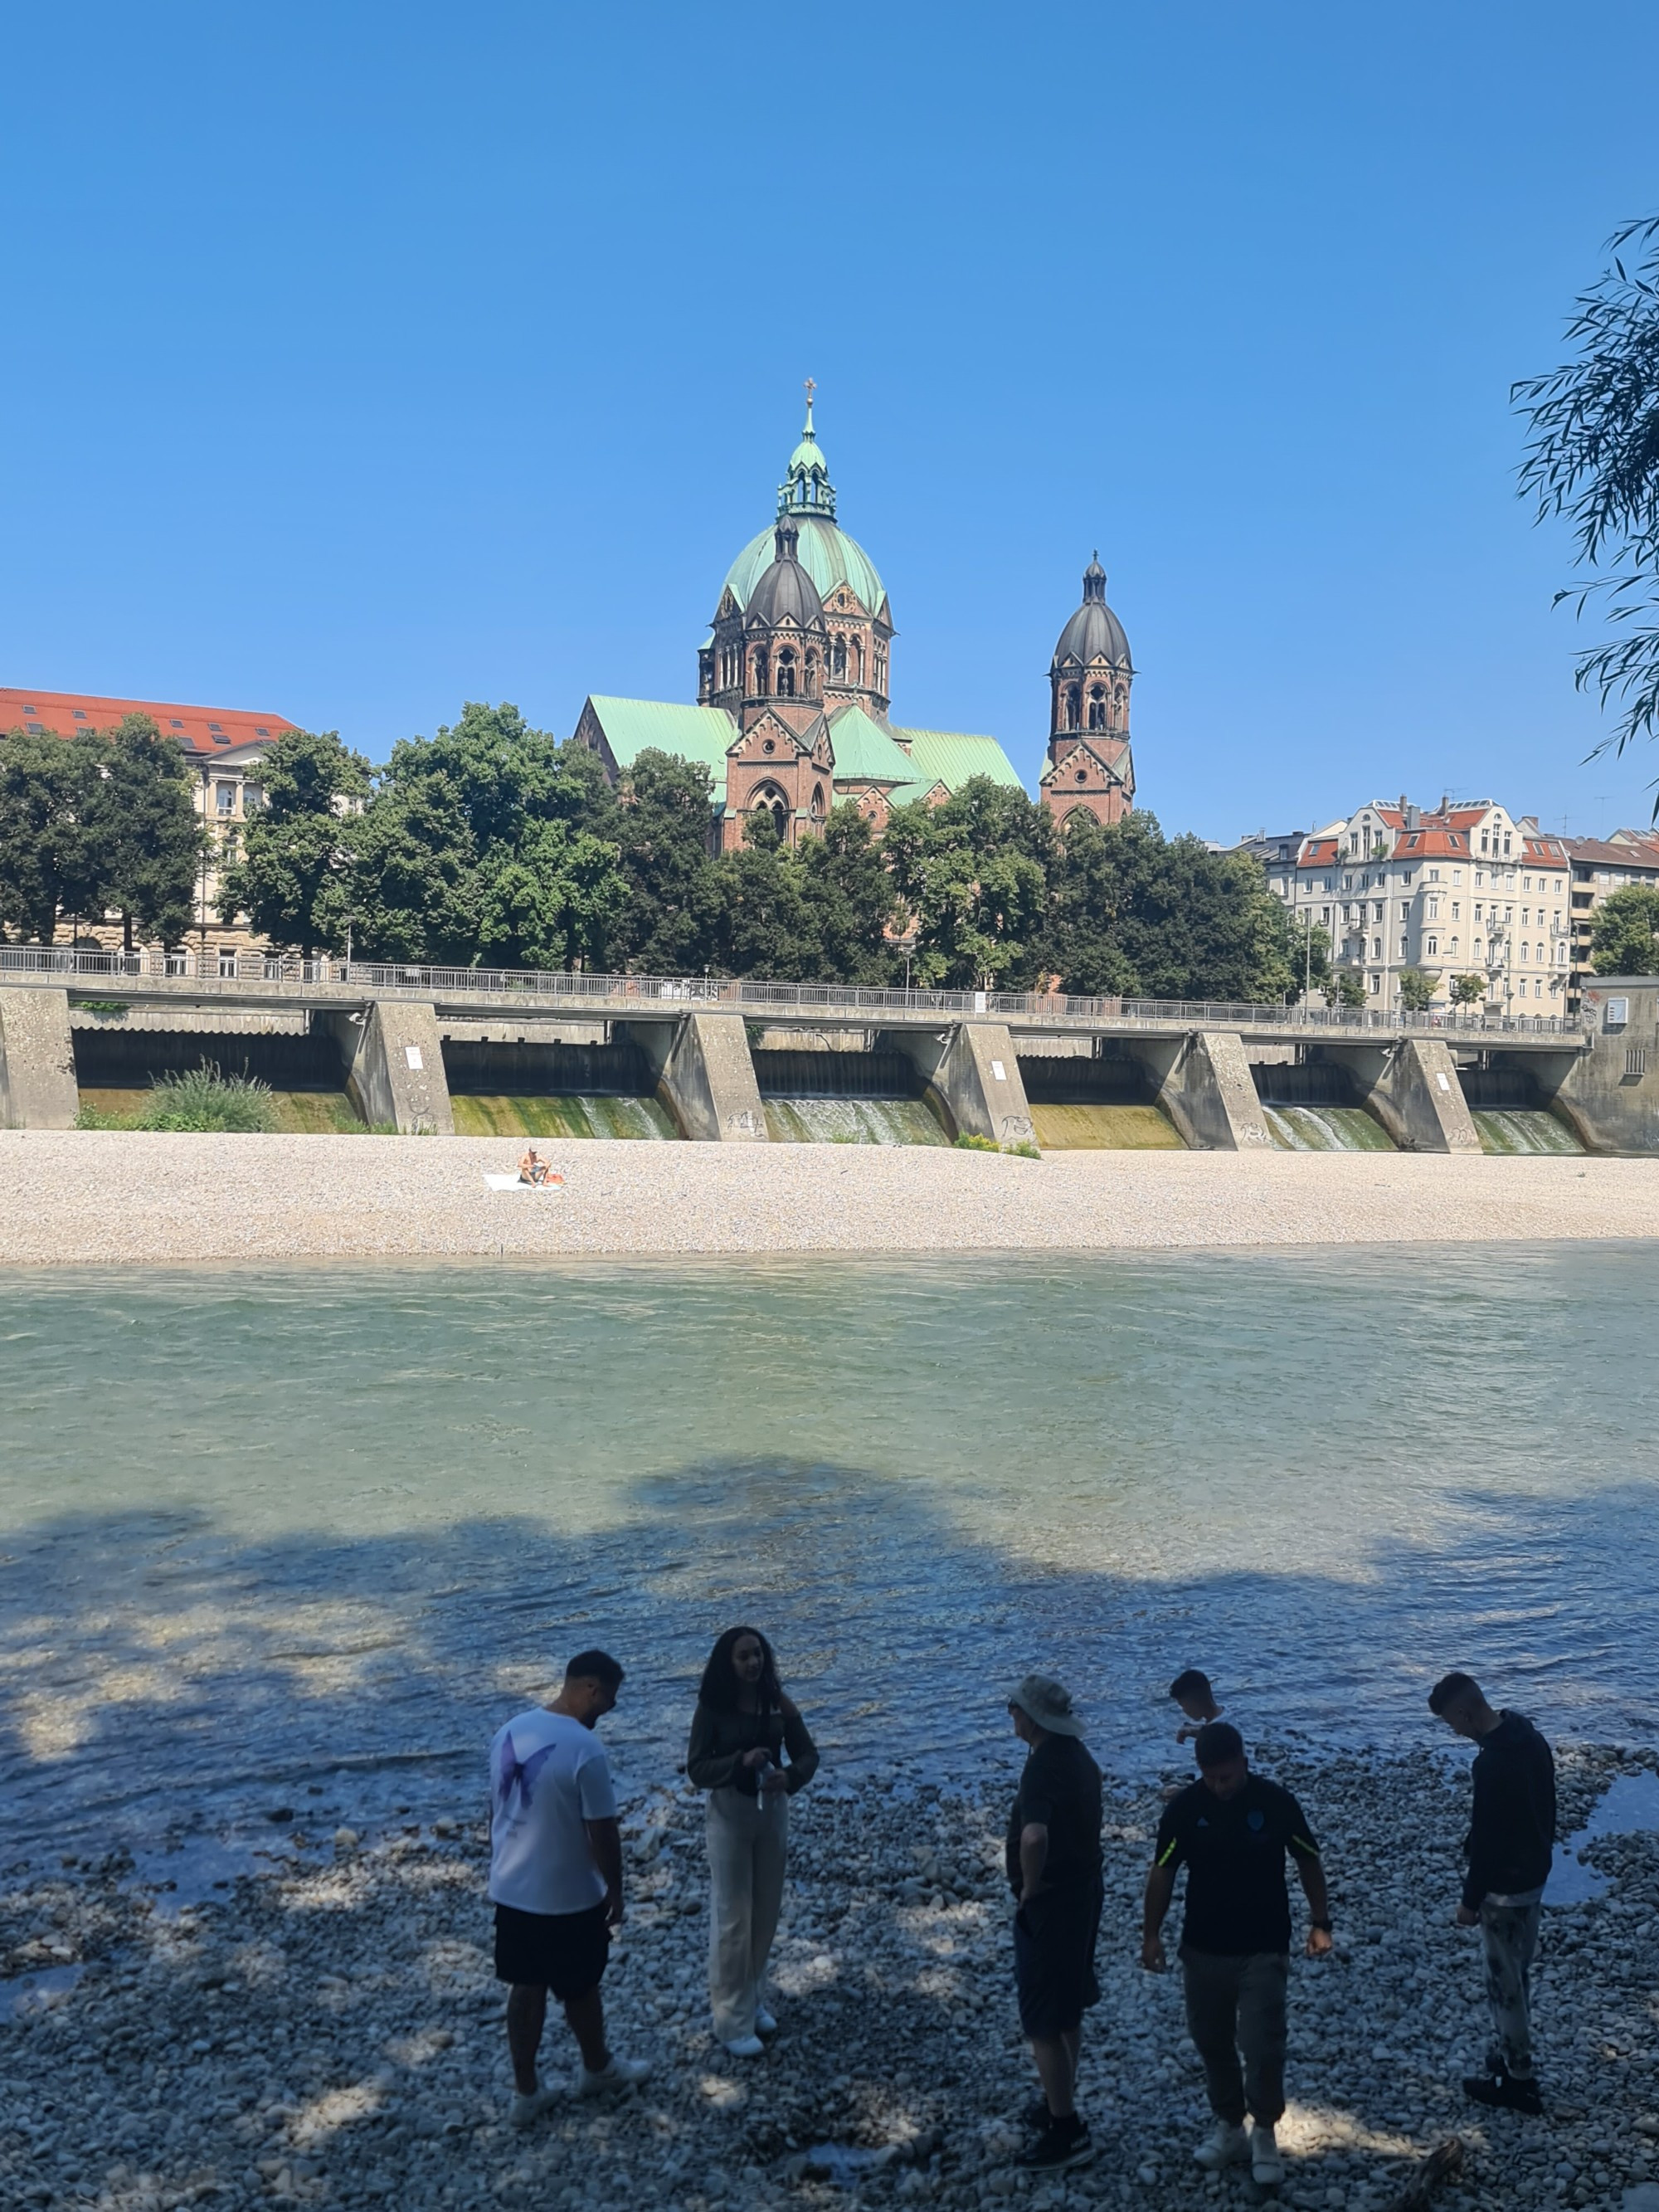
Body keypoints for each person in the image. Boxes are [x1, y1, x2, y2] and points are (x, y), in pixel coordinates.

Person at [1141, 1722, 1331, 2190]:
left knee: (1263, 2043)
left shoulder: (1276, 1802)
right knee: (1211, 2040)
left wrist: (1320, 1921)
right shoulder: (1185, 1809)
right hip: (1203, 1946)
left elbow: (1308, 1858)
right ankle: (1230, 2127)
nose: (1220, 1787)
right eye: (1211, 1778)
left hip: (1264, 1944)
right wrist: (1151, 1934)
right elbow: (1162, 1871)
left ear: (1244, 1763)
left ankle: (1265, 2131)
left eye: (1228, 1777)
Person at [487, 1650, 650, 2127]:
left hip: (514, 1887)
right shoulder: (585, 1748)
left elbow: (496, 1809)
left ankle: (526, 2092)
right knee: (580, 1986)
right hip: (567, 1893)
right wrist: (615, 1891)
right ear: (592, 1689)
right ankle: (598, 2069)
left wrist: (499, 1867)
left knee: (525, 1985)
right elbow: (603, 1830)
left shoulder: (508, 1731)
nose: (611, 1710)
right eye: (611, 1699)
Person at [686, 1626, 820, 2058]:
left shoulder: (778, 1701)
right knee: (732, 1917)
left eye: (758, 1654)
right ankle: (730, 2022)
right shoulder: (712, 1708)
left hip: (772, 1812)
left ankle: (752, 1997)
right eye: (744, 1656)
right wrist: (738, 1761)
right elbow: (697, 1769)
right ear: (728, 1663)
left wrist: (791, 1777)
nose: (753, 1662)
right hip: (729, 1813)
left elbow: (809, 1755)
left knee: (764, 1911)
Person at [1428, 1671, 1556, 2115]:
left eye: (1452, 1724)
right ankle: (1507, 2054)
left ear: (1464, 1712)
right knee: (1520, 1972)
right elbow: (1548, 1805)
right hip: (1535, 1875)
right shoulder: (1530, 1737)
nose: (1455, 1732)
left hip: (1504, 1891)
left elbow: (1487, 1839)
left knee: (1505, 1986)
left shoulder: (1492, 1765)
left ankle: (1519, 2080)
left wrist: (1470, 1899)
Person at [1005, 1674, 1104, 2176]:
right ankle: (1056, 2101)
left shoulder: (1042, 1767)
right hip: (1085, 1891)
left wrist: (1029, 1885)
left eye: (1015, 1707)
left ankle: (1066, 2130)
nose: (1010, 1715)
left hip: (1054, 1902)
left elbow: (1035, 1834)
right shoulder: (1079, 1757)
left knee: (1043, 2017)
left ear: (1033, 1717)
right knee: (1067, 2009)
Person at [1170, 1668, 1225, 1745]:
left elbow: (1214, 1735)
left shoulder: (1218, 1735)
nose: (1184, 1710)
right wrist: (1191, 1731)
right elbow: (1212, 1731)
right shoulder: (1224, 1717)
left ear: (1194, 1702)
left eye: (1183, 1705)